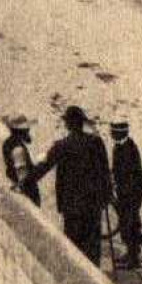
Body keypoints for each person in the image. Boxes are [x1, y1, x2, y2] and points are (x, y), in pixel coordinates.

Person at [33, 105, 113, 267]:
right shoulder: (96, 142)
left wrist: (24, 182)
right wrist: (106, 197)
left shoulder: (62, 145)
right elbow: (105, 172)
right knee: (92, 247)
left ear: (68, 124)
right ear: (82, 123)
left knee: (74, 248)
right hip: (93, 204)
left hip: (72, 205)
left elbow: (44, 167)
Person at [110, 120, 142, 268]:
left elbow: (129, 174)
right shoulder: (120, 145)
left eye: (113, 132)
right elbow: (117, 169)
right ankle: (133, 251)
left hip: (132, 192)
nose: (111, 134)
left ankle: (133, 260)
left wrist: (121, 189)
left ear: (121, 133)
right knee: (129, 223)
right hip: (126, 190)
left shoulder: (128, 149)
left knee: (128, 224)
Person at [2, 115, 40, 206]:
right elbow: (22, 172)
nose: (28, 132)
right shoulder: (18, 149)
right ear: (20, 132)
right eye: (26, 130)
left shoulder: (8, 143)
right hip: (27, 190)